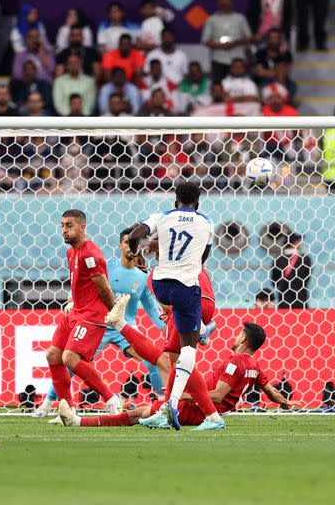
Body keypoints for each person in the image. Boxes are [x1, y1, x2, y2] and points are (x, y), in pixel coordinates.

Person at [34, 226, 169, 417]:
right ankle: (48, 403)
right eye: (127, 242)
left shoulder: (143, 276)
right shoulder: (108, 265)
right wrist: (73, 302)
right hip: (101, 323)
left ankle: (162, 403)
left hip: (124, 325)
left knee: (151, 361)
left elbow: (151, 309)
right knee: (71, 360)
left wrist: (165, 328)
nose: (132, 246)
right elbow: (85, 283)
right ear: (120, 245)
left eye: (137, 243)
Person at [56, 322, 300, 428]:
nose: (235, 337)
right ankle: (121, 325)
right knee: (162, 366)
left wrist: (178, 397)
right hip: (193, 405)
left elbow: (215, 397)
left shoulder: (235, 363)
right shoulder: (254, 366)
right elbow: (270, 391)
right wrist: (287, 403)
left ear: (243, 339)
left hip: (192, 409)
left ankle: (77, 421)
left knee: (135, 412)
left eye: (239, 334)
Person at [120, 182, 222, 431]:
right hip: (190, 290)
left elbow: (134, 235)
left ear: (176, 200)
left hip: (163, 287)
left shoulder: (163, 216)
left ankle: (172, 406)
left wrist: (137, 254)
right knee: (185, 352)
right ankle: (200, 329)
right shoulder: (206, 222)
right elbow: (202, 258)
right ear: (197, 204)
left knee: (173, 355)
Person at [46, 210, 124, 415]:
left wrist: (113, 314)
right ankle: (68, 409)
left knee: (70, 358)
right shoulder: (71, 252)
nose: (64, 230)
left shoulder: (90, 253)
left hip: (92, 315)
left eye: (69, 225)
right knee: (53, 355)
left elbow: (104, 288)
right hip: (76, 312)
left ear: (82, 227)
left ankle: (111, 398)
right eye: (62, 225)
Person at [201, 0, 252, 83]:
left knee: (239, 86)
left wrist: (234, 43)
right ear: (218, 2)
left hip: (237, 60)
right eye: (222, 0)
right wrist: (220, 46)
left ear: (232, 2)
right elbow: (205, 41)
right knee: (218, 86)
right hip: (218, 59)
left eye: (227, 0)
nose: (225, 2)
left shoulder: (240, 18)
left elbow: (249, 38)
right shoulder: (211, 19)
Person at [271, 233, 312, 308]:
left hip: (283, 301)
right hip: (300, 299)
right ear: (295, 243)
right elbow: (307, 278)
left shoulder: (278, 259)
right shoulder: (305, 259)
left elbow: (274, 282)